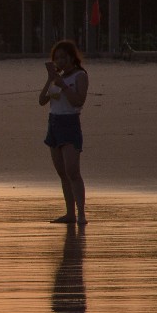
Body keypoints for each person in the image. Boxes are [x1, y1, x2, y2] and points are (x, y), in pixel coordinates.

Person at [39, 39, 89, 226]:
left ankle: (81, 213)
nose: (59, 61)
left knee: (72, 170)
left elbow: (78, 101)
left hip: (70, 122)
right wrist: (51, 79)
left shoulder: (79, 76)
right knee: (62, 172)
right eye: (56, 58)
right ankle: (70, 213)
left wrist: (63, 85)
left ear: (71, 57)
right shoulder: (57, 79)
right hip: (54, 123)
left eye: (62, 57)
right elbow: (43, 100)